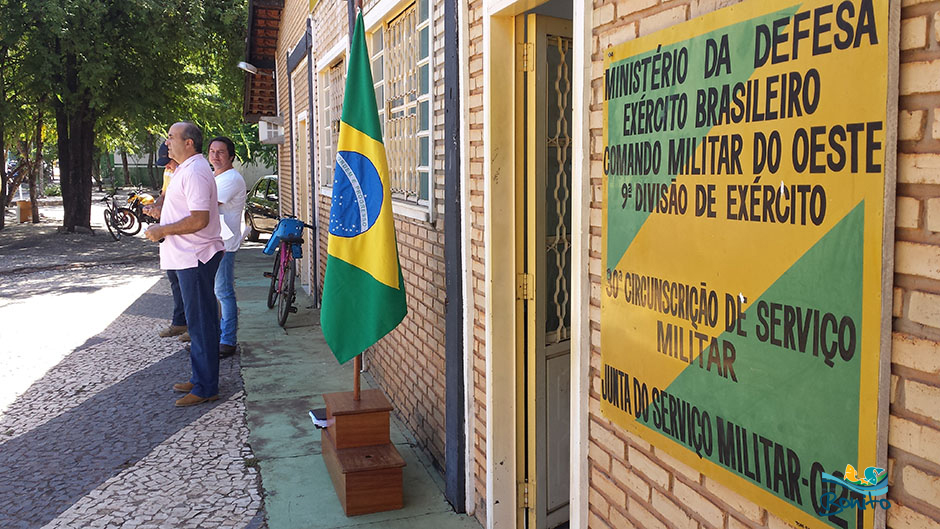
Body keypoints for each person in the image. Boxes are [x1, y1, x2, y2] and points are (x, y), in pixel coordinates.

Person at [145, 121, 224, 407]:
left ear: (189, 142)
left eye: (171, 137)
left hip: (196, 257)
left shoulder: (195, 172)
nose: (167, 142)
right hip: (188, 257)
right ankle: (200, 377)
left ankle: (206, 388)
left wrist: (162, 230)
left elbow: (199, 219)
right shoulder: (185, 170)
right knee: (197, 321)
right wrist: (162, 215)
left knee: (202, 322)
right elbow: (185, 211)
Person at [207, 136, 246, 358]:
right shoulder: (215, 176)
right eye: (212, 151)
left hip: (224, 244)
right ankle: (217, 337)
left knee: (223, 291)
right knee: (215, 291)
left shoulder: (231, 178)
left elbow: (205, 205)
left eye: (220, 152)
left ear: (231, 156)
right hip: (213, 241)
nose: (215, 155)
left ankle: (228, 341)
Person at [147, 144, 188, 341]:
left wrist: (161, 213)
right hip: (169, 235)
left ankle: (194, 327)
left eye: (170, 162)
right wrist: (155, 206)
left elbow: (187, 209)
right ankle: (180, 321)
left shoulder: (188, 173)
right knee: (174, 279)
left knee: (190, 285)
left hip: (183, 236)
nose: (168, 166)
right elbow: (164, 196)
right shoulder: (169, 172)